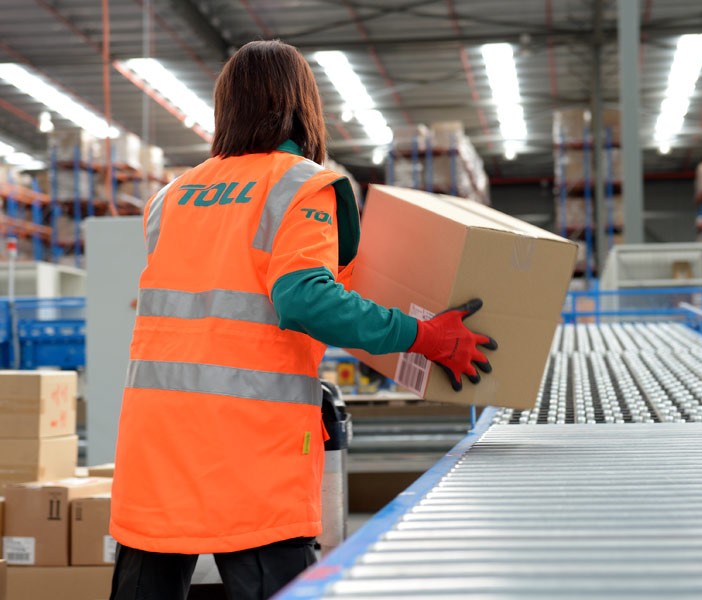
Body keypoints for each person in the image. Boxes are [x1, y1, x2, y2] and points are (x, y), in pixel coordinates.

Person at [108, 40, 496, 600]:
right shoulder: (300, 185)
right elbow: (306, 300)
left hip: (155, 448)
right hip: (249, 455)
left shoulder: (171, 196)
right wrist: (423, 335)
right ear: (301, 105)